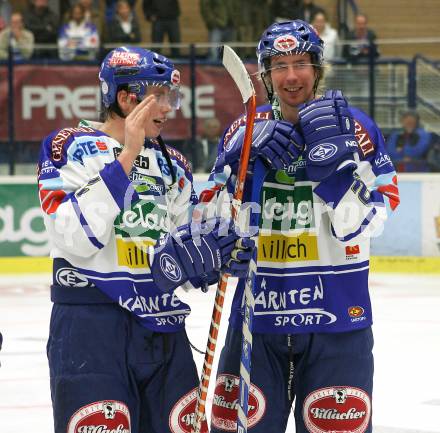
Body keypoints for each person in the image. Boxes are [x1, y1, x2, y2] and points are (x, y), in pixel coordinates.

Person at [204, 20, 400, 432]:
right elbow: (209, 218)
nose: (292, 76)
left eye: (301, 63)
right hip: (258, 320)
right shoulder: (242, 130)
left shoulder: (357, 128)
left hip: (337, 321)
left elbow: (371, 220)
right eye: (280, 66)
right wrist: (239, 168)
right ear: (266, 75)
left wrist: (333, 173)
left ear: (317, 68)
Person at [37, 46, 245, 433]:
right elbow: (74, 237)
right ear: (126, 97)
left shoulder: (174, 165)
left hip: (163, 328)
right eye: (161, 97)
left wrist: (218, 250)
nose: (170, 108)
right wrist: (127, 156)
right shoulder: (68, 147)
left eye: (172, 97)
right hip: (91, 327)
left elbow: (184, 244)